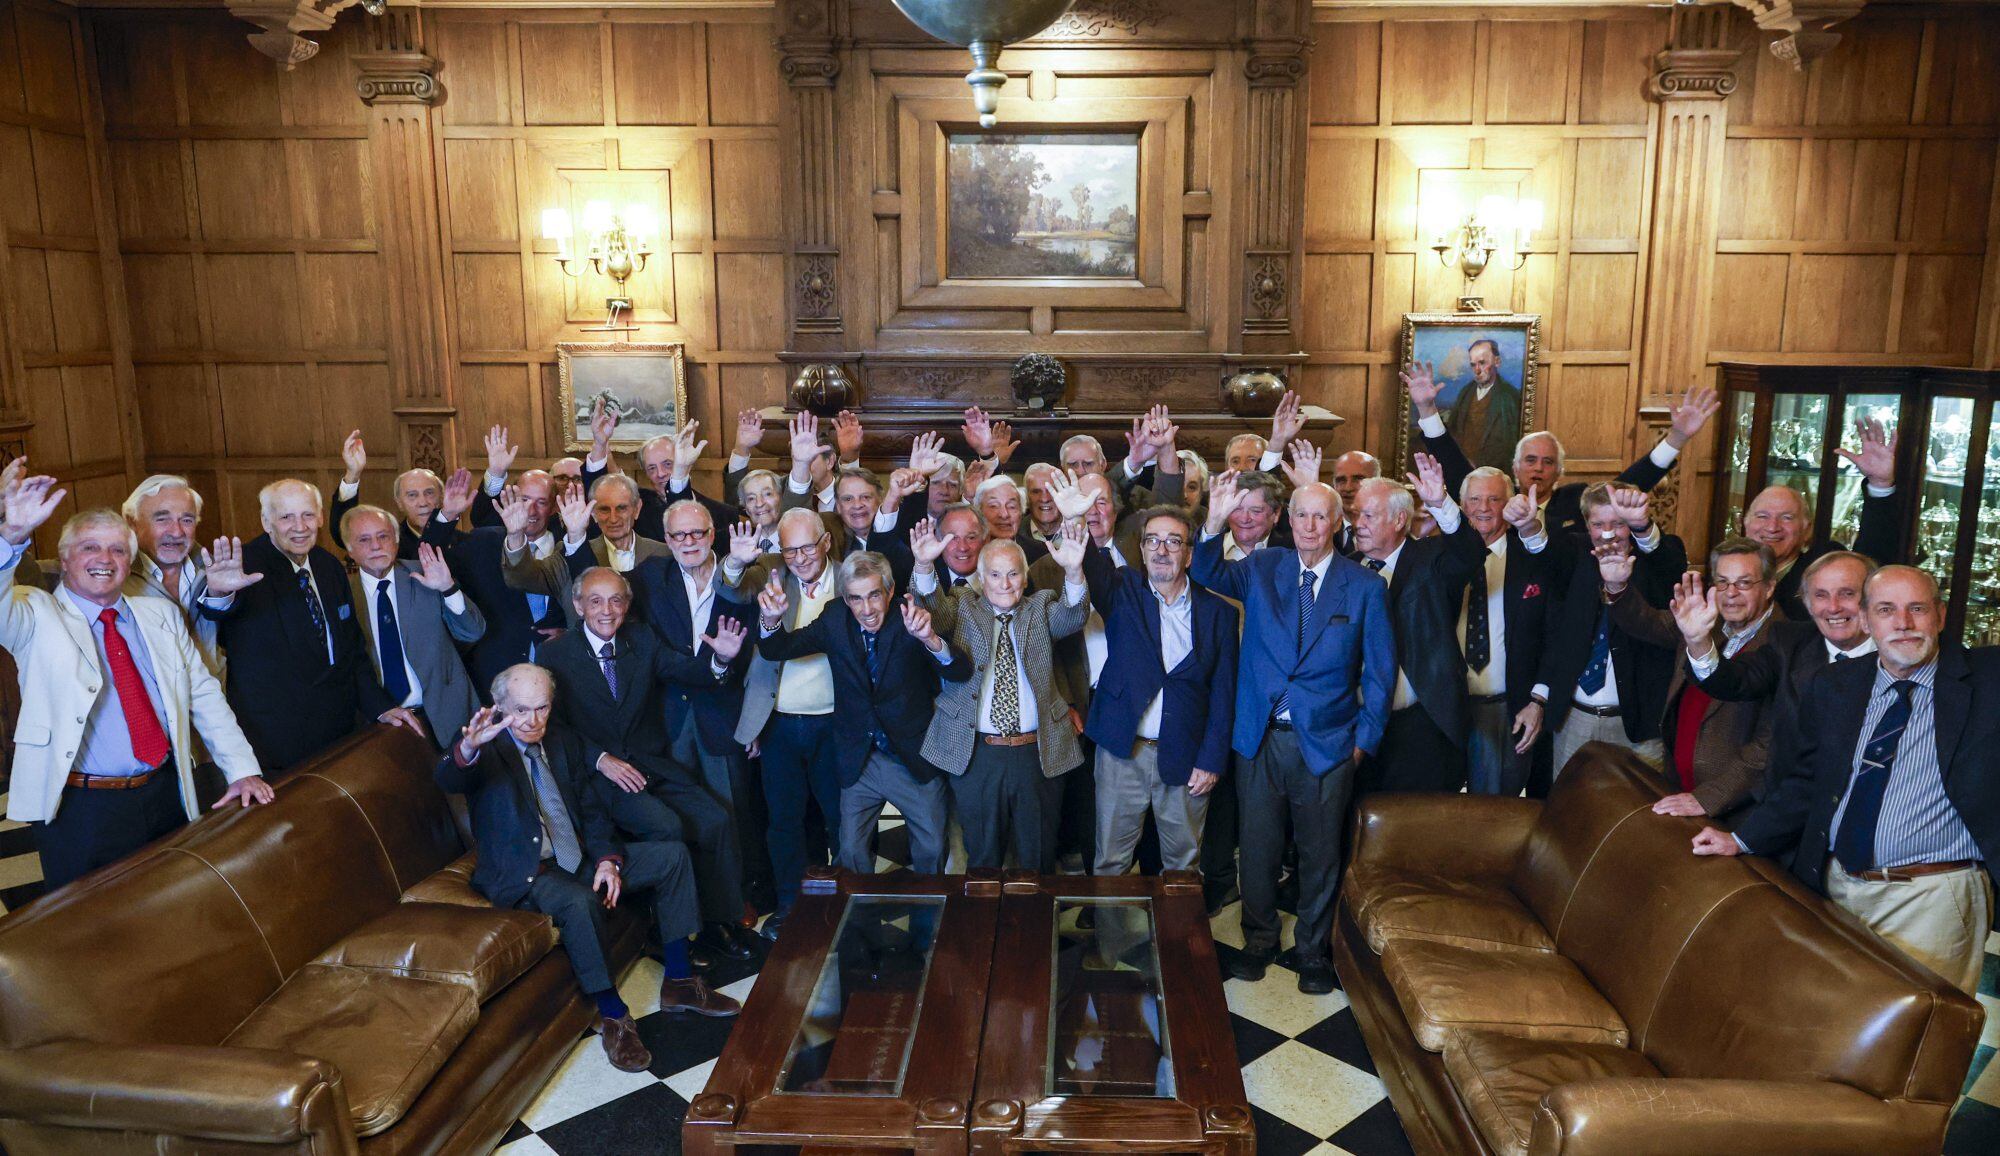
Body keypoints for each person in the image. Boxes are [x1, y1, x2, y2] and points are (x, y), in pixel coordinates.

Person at [1693, 566, 1998, 997]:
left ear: (1941, 616)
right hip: (1836, 885)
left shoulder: (1987, 680)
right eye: (1887, 610)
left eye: (1917, 609)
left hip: (1932, 898)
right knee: (1831, 1023)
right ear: (1867, 619)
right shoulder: (1838, 685)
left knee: (1921, 1039)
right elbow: (1807, 780)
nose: (1903, 624)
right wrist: (1742, 839)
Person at [437, 667, 737, 1076]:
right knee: (579, 903)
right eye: (521, 711)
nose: (532, 721)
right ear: (500, 709)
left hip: (578, 858)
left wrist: (608, 861)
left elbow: (591, 810)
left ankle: (680, 983)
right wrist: (468, 747)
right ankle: (613, 1017)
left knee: (672, 857)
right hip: (529, 872)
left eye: (542, 708)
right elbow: (449, 775)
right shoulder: (484, 746)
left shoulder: (558, 740)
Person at [0, 476, 272, 890]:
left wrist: (241, 770)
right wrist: (11, 536)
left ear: (131, 561)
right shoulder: (34, 614)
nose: (104, 558)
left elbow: (204, 695)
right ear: (65, 558)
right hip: (81, 806)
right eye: (90, 547)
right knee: (90, 927)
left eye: (117, 549)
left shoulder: (157, 615)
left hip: (166, 793)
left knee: (174, 903)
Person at [1193, 476, 1394, 994]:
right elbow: (1206, 569)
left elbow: (1379, 674)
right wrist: (1214, 520)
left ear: (1336, 524)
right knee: (1256, 848)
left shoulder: (1365, 585)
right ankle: (1258, 939)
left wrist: (1361, 743)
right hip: (1260, 738)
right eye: (1300, 515)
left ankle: (1312, 950)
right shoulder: (1263, 567)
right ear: (1287, 520)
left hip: (1328, 744)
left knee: (1320, 852)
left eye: (1319, 516)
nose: (1308, 525)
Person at [537, 567, 760, 962]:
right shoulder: (556, 654)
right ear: (578, 606)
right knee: (667, 826)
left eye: (616, 600)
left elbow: (687, 670)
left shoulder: (641, 638)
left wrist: (720, 661)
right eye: (596, 601)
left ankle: (720, 920)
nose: (607, 610)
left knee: (715, 820)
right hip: (602, 776)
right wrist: (601, 759)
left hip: (653, 764)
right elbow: (554, 727)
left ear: (628, 604)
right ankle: (669, 931)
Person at [755, 551, 970, 876]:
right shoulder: (833, 618)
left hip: (912, 756)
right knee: (851, 853)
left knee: (931, 849)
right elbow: (777, 649)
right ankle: (860, 923)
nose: (866, 609)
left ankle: (928, 924)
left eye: (874, 596)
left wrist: (931, 640)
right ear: (845, 597)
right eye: (855, 599)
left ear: (890, 590)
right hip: (859, 758)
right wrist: (770, 620)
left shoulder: (912, 616)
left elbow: (959, 672)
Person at [201, 479, 423, 771]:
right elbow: (219, 622)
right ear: (266, 522)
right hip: (276, 744)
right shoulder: (244, 566)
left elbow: (351, 650)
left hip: (340, 731)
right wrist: (219, 594)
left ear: (320, 517)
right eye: (286, 517)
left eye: (307, 515)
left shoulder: (328, 565)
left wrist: (380, 706)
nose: (300, 526)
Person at [911, 520, 1092, 872]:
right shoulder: (963, 604)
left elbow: (1072, 616)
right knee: (982, 858)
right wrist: (922, 567)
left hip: (1036, 752)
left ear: (1025, 578)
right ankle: (982, 926)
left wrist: (1073, 571)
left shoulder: (1040, 607)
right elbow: (935, 614)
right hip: (977, 752)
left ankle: (1034, 926)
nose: (1004, 584)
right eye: (995, 575)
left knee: (1037, 857)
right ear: (981, 578)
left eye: (1012, 574)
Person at [1077, 505, 1238, 876]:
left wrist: (1212, 761)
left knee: (1183, 864)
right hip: (1122, 751)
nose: (1161, 550)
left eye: (1173, 541)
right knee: (1110, 862)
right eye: (1152, 540)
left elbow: (1223, 694)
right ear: (1142, 549)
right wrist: (1075, 519)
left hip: (1186, 755)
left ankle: (1178, 936)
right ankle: (1115, 937)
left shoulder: (1218, 613)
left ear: (1190, 554)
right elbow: (1090, 563)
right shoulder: (1122, 589)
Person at [629, 499, 768, 911]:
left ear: (713, 535)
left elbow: (763, 657)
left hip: (724, 714)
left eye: (697, 533)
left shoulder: (747, 578)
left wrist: (756, 720)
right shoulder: (649, 576)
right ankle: (693, 903)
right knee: (679, 813)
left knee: (733, 812)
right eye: (678, 535)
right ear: (666, 540)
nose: (688, 541)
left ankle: (737, 901)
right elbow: (595, 589)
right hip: (669, 717)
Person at [1405, 364, 1719, 541]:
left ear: (1559, 472)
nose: (1538, 468)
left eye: (1548, 462)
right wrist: (1426, 407)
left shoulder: (1576, 501)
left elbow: (1630, 483)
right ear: (1515, 468)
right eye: (1530, 460)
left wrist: (1677, 437)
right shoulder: (1496, 496)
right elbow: (1452, 460)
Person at [727, 507, 848, 936]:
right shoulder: (770, 577)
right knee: (783, 821)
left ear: (826, 542)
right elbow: (731, 586)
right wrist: (738, 564)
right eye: (789, 549)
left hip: (837, 725)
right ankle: (789, 906)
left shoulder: (851, 580)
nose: (798, 557)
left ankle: (848, 901)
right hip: (779, 725)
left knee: (841, 819)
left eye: (807, 547)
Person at [1611, 540, 1782, 822]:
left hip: (1734, 809)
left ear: (1769, 587)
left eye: (1744, 583)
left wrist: (1708, 798)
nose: (1731, 594)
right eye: (1723, 582)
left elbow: (1768, 746)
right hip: (1678, 786)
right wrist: (1617, 586)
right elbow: (1644, 622)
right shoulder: (1704, 618)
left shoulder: (1785, 644)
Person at [1349, 458, 1491, 795]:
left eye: (1368, 516)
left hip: (1421, 724)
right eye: (1356, 514)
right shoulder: (1349, 566)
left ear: (1399, 520)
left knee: (1415, 832)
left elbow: (1470, 554)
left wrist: (1441, 504)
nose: (1358, 524)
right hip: (1357, 722)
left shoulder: (1433, 559)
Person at [1687, 550, 1876, 778]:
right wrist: (1698, 641)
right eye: (1820, 595)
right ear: (1807, 603)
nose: (1833, 607)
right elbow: (1736, 681)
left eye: (1847, 593)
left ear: (1873, 599)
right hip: (1791, 801)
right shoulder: (1790, 643)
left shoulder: (1897, 656)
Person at [1541, 483, 1688, 775]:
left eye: (1619, 523)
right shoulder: (1575, 554)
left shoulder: (1658, 558)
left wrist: (1643, 526)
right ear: (1587, 525)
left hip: (1638, 726)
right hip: (1574, 718)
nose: (1608, 533)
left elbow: (1670, 565)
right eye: (1599, 524)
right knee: (1569, 811)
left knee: (1636, 816)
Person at [342, 504, 487, 750]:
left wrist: (448, 587)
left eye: (383, 536)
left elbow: (473, 631)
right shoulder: (341, 592)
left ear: (396, 541)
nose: (376, 546)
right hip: (381, 725)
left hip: (449, 713)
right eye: (364, 540)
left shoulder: (426, 573)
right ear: (349, 549)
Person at [1454, 466, 1557, 796]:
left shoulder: (1534, 560)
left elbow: (1554, 636)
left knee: (1501, 811)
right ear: (1460, 505)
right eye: (1475, 499)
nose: (1483, 507)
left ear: (1509, 504)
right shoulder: (1440, 558)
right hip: (1451, 707)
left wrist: (1538, 701)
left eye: (1494, 499)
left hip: (1511, 709)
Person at [1740, 417, 1901, 621]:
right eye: (1762, 516)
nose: (1772, 527)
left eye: (1787, 518)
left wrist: (1880, 484)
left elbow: (1874, 566)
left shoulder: (1822, 565)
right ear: (1745, 524)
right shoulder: (1730, 571)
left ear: (1807, 529)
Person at [445, 468, 572, 693]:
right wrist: (447, 516)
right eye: (524, 499)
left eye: (541, 502)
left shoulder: (571, 548)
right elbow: (429, 553)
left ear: (553, 507)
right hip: (496, 676)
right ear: (511, 498)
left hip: (560, 675)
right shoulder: (483, 543)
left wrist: (571, 633)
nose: (531, 510)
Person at [121, 474, 225, 676]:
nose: (177, 532)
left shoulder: (213, 570)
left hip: (217, 700)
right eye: (162, 519)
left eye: (187, 520)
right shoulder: (113, 578)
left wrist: (224, 596)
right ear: (132, 522)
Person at [329, 430, 473, 558]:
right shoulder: (388, 541)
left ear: (441, 498)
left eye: (429, 493)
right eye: (412, 495)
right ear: (399, 502)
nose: (423, 502)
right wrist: (353, 474)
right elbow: (343, 533)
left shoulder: (465, 544)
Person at [1439, 339, 1523, 471]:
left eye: (1482, 363)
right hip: (1461, 471)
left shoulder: (1510, 397)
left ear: (1497, 362)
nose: (1477, 370)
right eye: (1473, 365)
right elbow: (1453, 431)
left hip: (1493, 475)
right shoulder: (1465, 393)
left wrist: (1480, 466)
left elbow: (1511, 445)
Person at [1328, 451, 1379, 556]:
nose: (1348, 488)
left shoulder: (1391, 529)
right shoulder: (1323, 527)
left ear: (1377, 483)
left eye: (1358, 479)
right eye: (1341, 480)